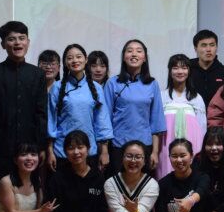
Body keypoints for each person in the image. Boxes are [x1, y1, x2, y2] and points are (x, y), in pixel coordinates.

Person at [0, 21, 47, 212]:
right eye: (11, 39)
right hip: (1, 148)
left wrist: (41, 147)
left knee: (30, 194)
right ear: (3, 44)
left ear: (28, 42)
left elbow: (41, 113)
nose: (17, 43)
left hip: (29, 150)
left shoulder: (37, 74)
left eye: (21, 38)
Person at [47, 43, 113, 173]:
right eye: (70, 58)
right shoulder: (57, 87)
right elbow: (51, 122)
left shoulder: (96, 88)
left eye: (78, 56)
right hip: (62, 151)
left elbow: (102, 121)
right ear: (65, 62)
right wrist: (50, 152)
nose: (75, 60)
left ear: (86, 59)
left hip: (89, 151)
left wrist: (104, 151)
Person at [104, 39, 166, 175]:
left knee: (143, 186)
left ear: (144, 58)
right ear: (123, 57)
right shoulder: (112, 83)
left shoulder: (152, 84)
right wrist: (104, 151)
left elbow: (156, 121)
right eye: (129, 51)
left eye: (138, 51)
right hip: (118, 145)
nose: (134, 54)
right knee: (118, 185)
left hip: (145, 146)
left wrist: (155, 152)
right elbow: (105, 119)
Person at [158, 53, 207, 177]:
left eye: (184, 68)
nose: (180, 71)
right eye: (175, 68)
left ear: (189, 71)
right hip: (165, 145)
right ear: (170, 72)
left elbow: (202, 127)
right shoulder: (162, 96)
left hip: (192, 144)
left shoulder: (196, 98)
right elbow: (156, 125)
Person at [189, 29, 224, 109]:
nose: (208, 49)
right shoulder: (187, 70)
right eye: (204, 45)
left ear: (216, 47)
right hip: (190, 115)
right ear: (195, 48)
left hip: (216, 116)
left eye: (212, 45)